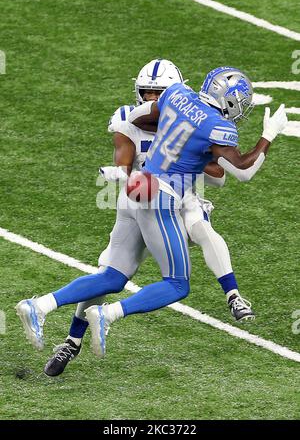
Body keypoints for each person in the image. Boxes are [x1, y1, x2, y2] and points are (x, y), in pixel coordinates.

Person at [16, 65, 287, 361]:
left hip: (136, 187)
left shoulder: (177, 94)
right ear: (231, 100)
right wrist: (268, 134)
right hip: (161, 197)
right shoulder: (218, 126)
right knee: (177, 284)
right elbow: (243, 172)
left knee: (113, 276)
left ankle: (39, 306)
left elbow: (137, 116)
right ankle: (108, 315)